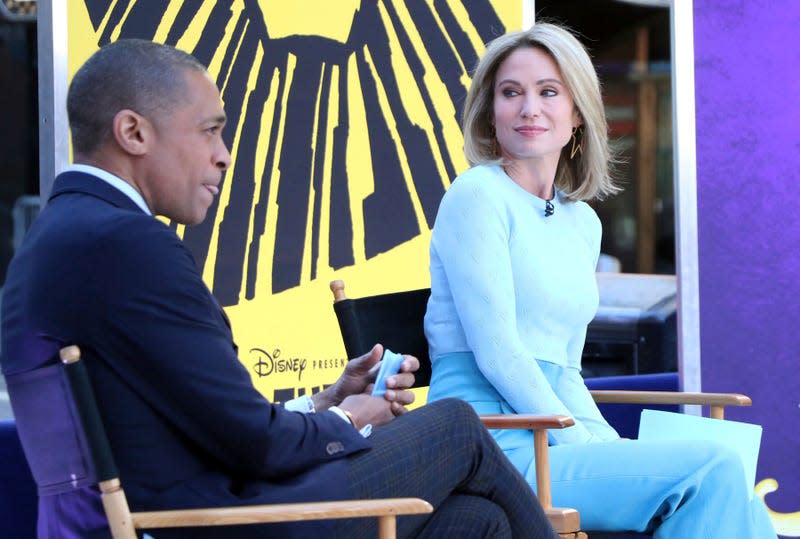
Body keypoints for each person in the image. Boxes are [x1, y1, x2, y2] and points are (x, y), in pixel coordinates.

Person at [0, 39, 559, 539]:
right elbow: (251, 443)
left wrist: (324, 401)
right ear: (133, 132)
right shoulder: (126, 244)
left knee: (475, 521)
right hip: (217, 522)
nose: (223, 154)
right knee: (456, 425)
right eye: (209, 130)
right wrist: (351, 418)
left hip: (183, 512)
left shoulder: (61, 237)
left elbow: (205, 422)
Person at [424, 22, 777, 538]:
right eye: (510, 93)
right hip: (491, 445)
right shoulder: (476, 196)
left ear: (578, 113)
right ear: (489, 110)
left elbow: (567, 367)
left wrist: (603, 440)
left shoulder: (581, 222)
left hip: (552, 438)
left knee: (737, 492)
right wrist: (583, 444)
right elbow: (499, 355)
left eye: (548, 92)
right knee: (713, 468)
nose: (529, 109)